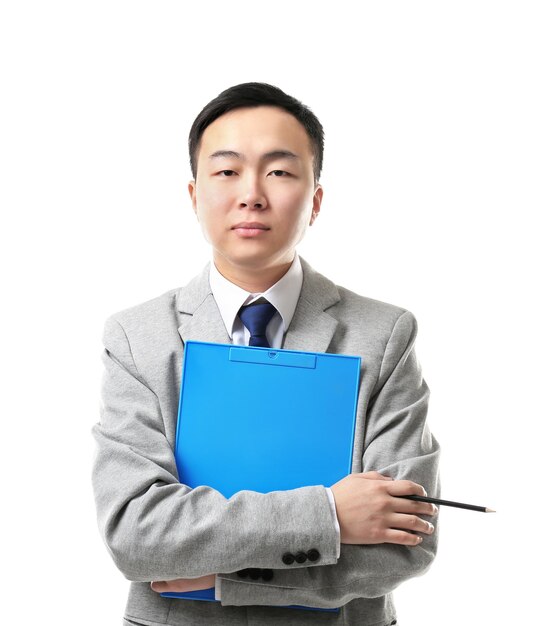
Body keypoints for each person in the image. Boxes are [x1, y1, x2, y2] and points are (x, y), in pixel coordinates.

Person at [91, 82, 440, 626]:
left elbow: (406, 543)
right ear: (194, 195)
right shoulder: (137, 337)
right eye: (227, 171)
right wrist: (329, 516)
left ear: (316, 199)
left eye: (279, 171)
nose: (251, 194)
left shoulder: (384, 333)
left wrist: (226, 577)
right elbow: (138, 534)